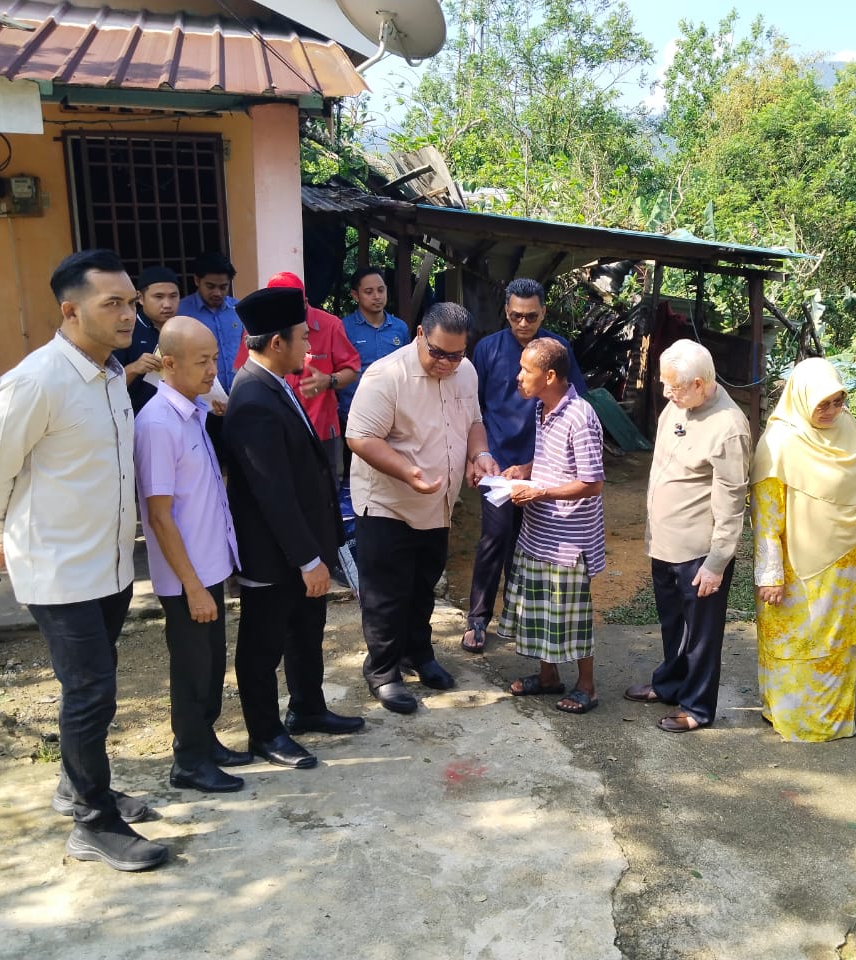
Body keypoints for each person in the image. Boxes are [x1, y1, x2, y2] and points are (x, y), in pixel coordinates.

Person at [0, 249, 167, 872]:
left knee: (92, 682)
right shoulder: (36, 381)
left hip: (110, 564)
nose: (129, 314)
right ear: (71, 310)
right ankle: (92, 823)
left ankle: (76, 787)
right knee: (90, 691)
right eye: (113, 303)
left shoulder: (111, 375)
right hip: (57, 567)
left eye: (131, 302)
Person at [222, 286, 364, 770]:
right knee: (262, 645)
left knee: (306, 630)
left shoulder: (277, 382)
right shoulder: (252, 398)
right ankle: (265, 734)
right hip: (274, 552)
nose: (309, 346)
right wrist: (307, 558)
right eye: (303, 338)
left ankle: (307, 707)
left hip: (304, 543)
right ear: (277, 342)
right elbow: (273, 493)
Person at [346, 302, 496, 714]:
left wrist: (480, 454)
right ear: (419, 335)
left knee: (422, 584)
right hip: (389, 503)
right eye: (438, 353)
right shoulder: (386, 375)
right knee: (386, 593)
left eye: (456, 354)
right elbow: (360, 437)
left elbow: (474, 422)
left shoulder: (466, 372)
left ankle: (418, 653)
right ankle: (383, 670)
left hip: (438, 503)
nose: (446, 363)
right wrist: (407, 472)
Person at [134, 315, 249, 793]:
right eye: (202, 361)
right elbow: (159, 517)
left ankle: (205, 740)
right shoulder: (157, 424)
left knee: (211, 664)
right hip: (187, 577)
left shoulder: (194, 411)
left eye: (214, 359)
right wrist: (193, 586)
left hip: (208, 566)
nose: (212, 370)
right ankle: (188, 760)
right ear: (168, 363)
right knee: (191, 669)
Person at [624, 340, 751, 732]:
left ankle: (697, 707)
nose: (666, 393)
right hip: (666, 543)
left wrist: (717, 562)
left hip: (699, 552)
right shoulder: (678, 406)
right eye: (665, 384)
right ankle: (670, 685)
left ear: (699, 384)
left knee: (700, 636)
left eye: (674, 386)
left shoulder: (729, 427)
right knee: (673, 624)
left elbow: (732, 502)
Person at [750, 357, 856, 742]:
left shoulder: (847, 430)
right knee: (796, 643)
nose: (831, 411)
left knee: (836, 644)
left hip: (845, 566)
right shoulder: (779, 443)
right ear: (801, 397)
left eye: (838, 402)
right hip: (795, 569)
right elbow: (766, 517)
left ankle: (834, 722)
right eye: (823, 403)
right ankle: (793, 718)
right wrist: (770, 575)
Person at [463, 278, 586, 654]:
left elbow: (574, 405)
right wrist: (475, 457)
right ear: (506, 312)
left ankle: (519, 618)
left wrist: (536, 467)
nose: (523, 323)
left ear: (543, 313)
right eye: (516, 315)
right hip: (496, 465)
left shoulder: (556, 350)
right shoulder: (487, 349)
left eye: (531, 316)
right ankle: (478, 619)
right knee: (495, 536)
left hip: (544, 466)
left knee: (531, 543)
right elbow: (473, 408)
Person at [501, 338, 606, 715]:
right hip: (538, 531)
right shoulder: (541, 409)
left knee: (570, 613)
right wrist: (525, 471)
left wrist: (540, 492)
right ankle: (548, 677)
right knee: (541, 606)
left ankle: (587, 686)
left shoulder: (581, 416)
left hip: (568, 539)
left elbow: (592, 483)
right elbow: (554, 462)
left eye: (525, 370)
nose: (518, 376)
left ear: (548, 376)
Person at [234, 272, 361, 477]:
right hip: (279, 431)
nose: (308, 346)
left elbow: (352, 369)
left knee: (326, 486)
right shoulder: (259, 331)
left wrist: (328, 380)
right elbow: (246, 371)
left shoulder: (330, 325)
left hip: (321, 429)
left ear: (305, 302)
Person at [336, 265, 410, 482]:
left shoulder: (400, 328)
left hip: (394, 414)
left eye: (381, 290)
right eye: (369, 292)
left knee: (391, 473)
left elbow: (408, 368)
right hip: (354, 413)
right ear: (355, 295)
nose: (377, 296)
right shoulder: (344, 328)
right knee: (356, 474)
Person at [114, 265, 179, 415]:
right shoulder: (125, 330)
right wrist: (134, 368)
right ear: (140, 298)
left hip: (178, 415)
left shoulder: (184, 328)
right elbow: (106, 386)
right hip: (136, 418)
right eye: (158, 297)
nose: (167, 304)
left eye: (173, 296)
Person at [180, 252, 244, 393]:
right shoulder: (181, 312)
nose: (217, 293)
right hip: (200, 396)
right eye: (210, 286)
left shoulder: (239, 310)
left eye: (223, 287)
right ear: (197, 281)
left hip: (239, 393)